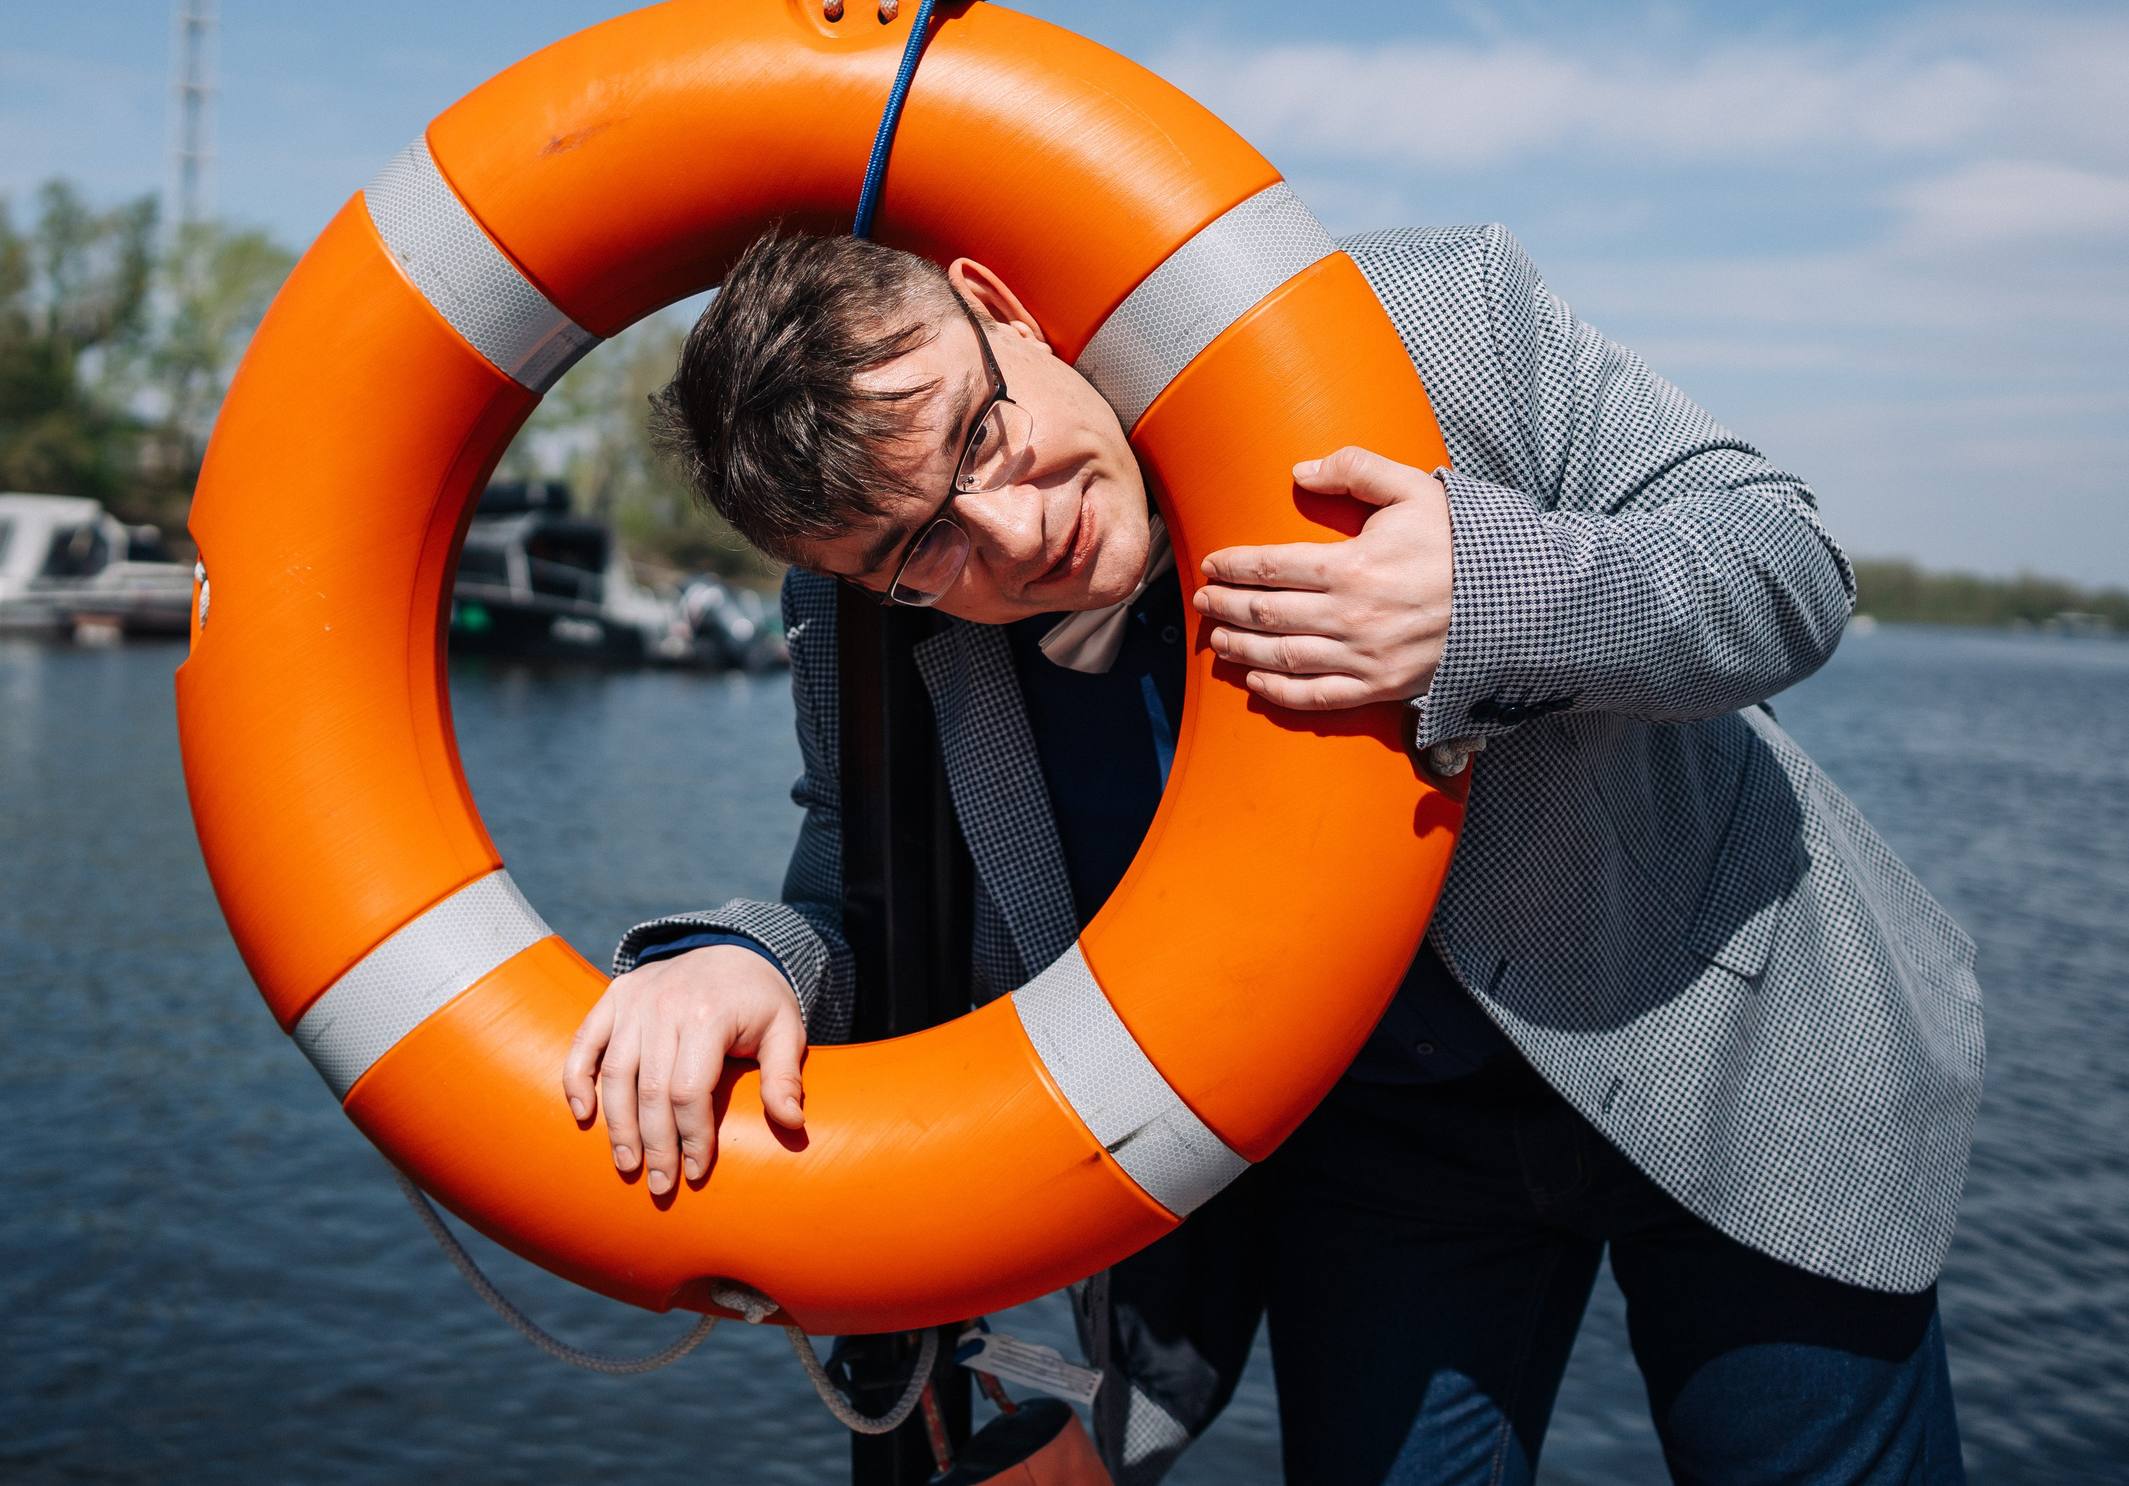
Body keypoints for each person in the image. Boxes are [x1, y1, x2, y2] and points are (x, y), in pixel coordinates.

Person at [558, 223, 1983, 1485]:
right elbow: (864, 881)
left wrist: (1487, 594)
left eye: (978, 438)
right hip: (1381, 1164)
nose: (1015, 527)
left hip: (1724, 1039)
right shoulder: (870, 623)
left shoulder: (1427, 323)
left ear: (1001, 308)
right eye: (923, 546)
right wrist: (745, 962)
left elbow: (1788, 564)